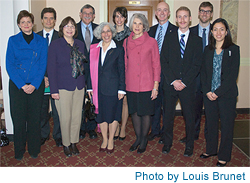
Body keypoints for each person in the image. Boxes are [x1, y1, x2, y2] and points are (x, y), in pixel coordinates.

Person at [161, 7, 202, 157]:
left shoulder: (197, 40)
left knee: (189, 117)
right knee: (168, 117)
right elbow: (163, 61)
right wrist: (173, 80)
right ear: (176, 19)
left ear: (190, 18)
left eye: (185, 16)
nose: (183, 20)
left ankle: (189, 145)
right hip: (170, 85)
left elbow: (197, 64)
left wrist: (183, 81)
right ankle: (167, 143)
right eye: (180, 17)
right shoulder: (169, 37)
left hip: (188, 86)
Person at [6, 10, 47, 160]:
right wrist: (22, 85)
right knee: (19, 119)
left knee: (34, 119)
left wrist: (34, 84)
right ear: (19, 24)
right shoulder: (12, 40)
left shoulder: (42, 41)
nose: (26, 24)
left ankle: (34, 149)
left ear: (33, 23)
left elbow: (43, 64)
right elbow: (9, 65)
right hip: (18, 86)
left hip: (36, 86)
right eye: (22, 22)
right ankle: (19, 150)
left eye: (28, 21)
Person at [200, 18, 240, 167]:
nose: (218, 32)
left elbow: (232, 77)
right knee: (210, 125)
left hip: (226, 96)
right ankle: (211, 150)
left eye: (221, 29)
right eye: (215, 29)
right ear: (211, 32)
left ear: (226, 32)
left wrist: (217, 92)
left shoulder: (234, 50)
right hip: (209, 95)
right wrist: (207, 91)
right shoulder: (207, 49)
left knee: (226, 126)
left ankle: (224, 156)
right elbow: (203, 72)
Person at [47, 16, 87, 157]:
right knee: (65, 117)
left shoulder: (80, 44)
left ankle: (74, 142)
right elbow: (51, 69)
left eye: (72, 26)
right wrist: (53, 90)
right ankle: (66, 143)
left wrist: (87, 86)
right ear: (62, 29)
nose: (70, 29)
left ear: (75, 30)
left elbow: (85, 66)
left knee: (77, 116)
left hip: (79, 86)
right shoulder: (55, 45)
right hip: (62, 87)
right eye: (67, 26)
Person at [123, 13, 161, 154]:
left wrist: (155, 86)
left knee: (145, 114)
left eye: (140, 23)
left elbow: (156, 65)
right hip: (131, 83)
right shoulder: (126, 42)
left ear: (144, 26)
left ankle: (144, 139)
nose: (137, 26)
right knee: (134, 113)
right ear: (131, 25)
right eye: (135, 23)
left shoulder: (151, 42)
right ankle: (138, 138)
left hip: (146, 83)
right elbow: (125, 64)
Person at [87, 22, 125, 154]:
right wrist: (89, 87)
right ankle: (104, 139)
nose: (106, 34)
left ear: (112, 33)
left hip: (114, 89)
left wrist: (121, 89)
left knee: (113, 115)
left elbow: (122, 70)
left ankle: (111, 141)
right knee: (101, 115)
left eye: (108, 31)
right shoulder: (94, 49)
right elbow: (89, 70)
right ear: (99, 34)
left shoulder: (118, 49)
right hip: (97, 89)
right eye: (103, 32)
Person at [179, 1, 213, 144]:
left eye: (207, 11)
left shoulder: (216, 32)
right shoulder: (190, 31)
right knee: (194, 109)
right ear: (198, 13)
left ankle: (210, 137)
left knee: (211, 111)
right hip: (194, 77)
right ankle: (192, 134)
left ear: (211, 14)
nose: (204, 14)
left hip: (212, 76)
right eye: (202, 11)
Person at [147, 1, 178, 144]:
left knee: (168, 107)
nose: (162, 12)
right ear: (156, 13)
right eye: (159, 10)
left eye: (165, 10)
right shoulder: (150, 31)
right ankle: (155, 131)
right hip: (153, 75)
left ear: (169, 13)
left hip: (169, 75)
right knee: (154, 104)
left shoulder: (176, 30)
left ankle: (166, 133)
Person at [37, 7, 62, 147]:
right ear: (41, 20)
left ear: (55, 20)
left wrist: (51, 77)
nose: (48, 20)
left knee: (57, 111)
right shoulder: (35, 37)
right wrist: (43, 77)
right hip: (40, 81)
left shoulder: (61, 36)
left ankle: (58, 135)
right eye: (45, 18)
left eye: (51, 18)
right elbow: (33, 62)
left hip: (57, 81)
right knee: (42, 110)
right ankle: (43, 134)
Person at [76, 4, 99, 140]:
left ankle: (91, 128)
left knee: (92, 100)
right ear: (80, 14)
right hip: (78, 72)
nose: (87, 15)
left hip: (95, 71)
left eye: (90, 13)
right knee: (78, 101)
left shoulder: (98, 29)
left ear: (94, 15)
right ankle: (80, 128)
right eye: (85, 13)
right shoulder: (74, 29)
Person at [112, 7, 131, 141]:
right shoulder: (108, 33)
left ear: (125, 18)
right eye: (117, 16)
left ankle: (123, 127)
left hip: (127, 71)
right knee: (113, 100)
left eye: (122, 16)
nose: (119, 19)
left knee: (125, 100)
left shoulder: (131, 35)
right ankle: (116, 125)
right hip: (112, 72)